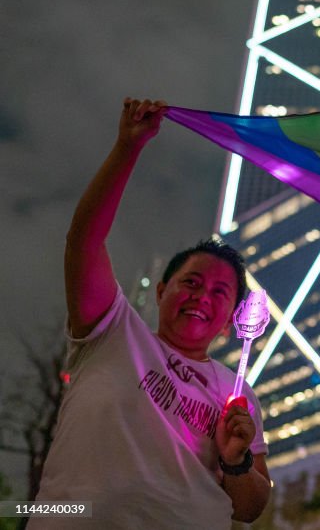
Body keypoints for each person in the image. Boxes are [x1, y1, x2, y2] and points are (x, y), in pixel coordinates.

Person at [32, 98, 271, 528]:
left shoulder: (238, 396)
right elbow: (84, 241)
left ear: (233, 317)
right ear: (162, 291)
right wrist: (128, 147)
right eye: (191, 282)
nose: (202, 296)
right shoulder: (109, 331)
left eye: (220, 292)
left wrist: (236, 463)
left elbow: (251, 508)